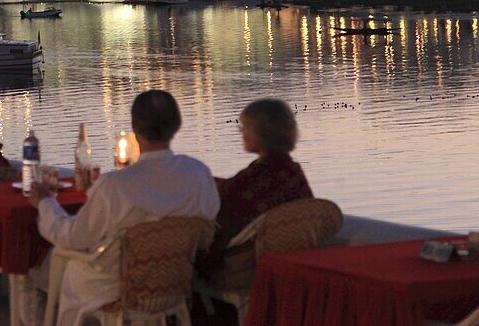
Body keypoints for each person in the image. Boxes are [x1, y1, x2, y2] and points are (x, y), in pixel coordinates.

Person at [29, 90, 220, 326]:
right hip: (172, 282)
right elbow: (206, 220)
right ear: (176, 126)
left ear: (135, 129)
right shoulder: (198, 174)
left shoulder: (115, 186)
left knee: (39, 261)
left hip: (114, 287)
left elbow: (72, 238)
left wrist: (45, 203)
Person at [199, 98, 313, 273]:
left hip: (248, 266)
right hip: (288, 261)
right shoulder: (292, 172)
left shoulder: (256, 177)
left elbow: (224, 212)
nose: (241, 133)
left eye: (244, 128)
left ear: (260, 133)